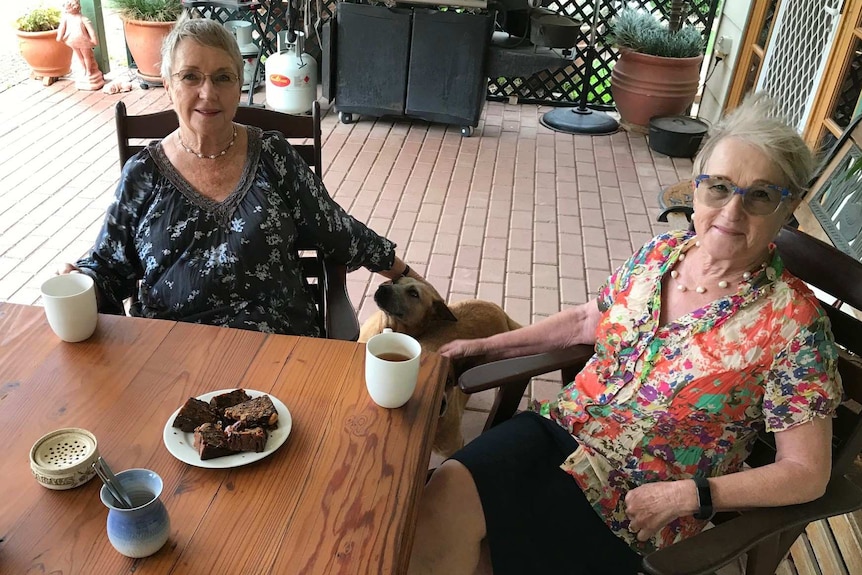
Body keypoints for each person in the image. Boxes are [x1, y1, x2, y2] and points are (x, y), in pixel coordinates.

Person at [408, 93, 843, 575]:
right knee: (430, 515)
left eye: (761, 195)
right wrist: (482, 347)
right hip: (558, 435)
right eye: (718, 187)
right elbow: (586, 320)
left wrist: (693, 495)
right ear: (695, 189)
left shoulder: (794, 325)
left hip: (639, 503)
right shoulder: (661, 253)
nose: (732, 212)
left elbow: (806, 472)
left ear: (790, 207)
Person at [63, 17, 419, 336]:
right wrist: (81, 281)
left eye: (223, 77)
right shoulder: (142, 175)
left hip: (276, 347)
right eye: (190, 76)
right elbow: (107, 266)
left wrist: (408, 277)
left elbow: (337, 229)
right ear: (169, 87)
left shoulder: (273, 156)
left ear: (238, 86)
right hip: (171, 352)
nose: (208, 92)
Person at [56, 0, 105, 91]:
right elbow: (91, 31)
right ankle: (88, 71)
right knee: (86, 57)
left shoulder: (67, 18)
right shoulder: (82, 18)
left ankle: (85, 70)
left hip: (73, 40)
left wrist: (59, 37)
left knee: (81, 56)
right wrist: (94, 40)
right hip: (81, 40)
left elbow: (61, 29)